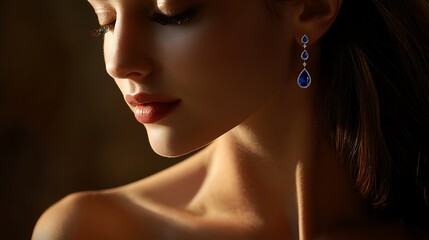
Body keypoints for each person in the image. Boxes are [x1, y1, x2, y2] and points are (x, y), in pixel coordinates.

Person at [32, 0, 429, 239]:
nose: (119, 63)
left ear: (312, 6)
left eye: (172, 15)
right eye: (106, 20)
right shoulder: (92, 233)